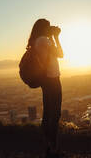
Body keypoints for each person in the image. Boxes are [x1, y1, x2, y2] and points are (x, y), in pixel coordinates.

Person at [26, 18, 63, 157]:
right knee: (54, 114)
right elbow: (61, 54)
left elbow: (56, 55)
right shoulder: (43, 40)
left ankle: (48, 146)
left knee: (48, 113)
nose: (51, 29)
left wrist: (53, 36)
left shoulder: (39, 40)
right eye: (48, 27)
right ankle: (52, 148)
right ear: (43, 28)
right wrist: (56, 36)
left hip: (48, 81)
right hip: (52, 80)